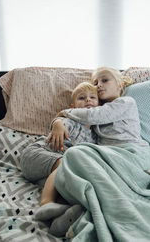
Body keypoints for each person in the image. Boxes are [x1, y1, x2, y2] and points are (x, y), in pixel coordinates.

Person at [45, 67, 149, 236]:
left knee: (77, 156)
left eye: (105, 80)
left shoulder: (126, 102)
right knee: (80, 168)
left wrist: (65, 112)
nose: (99, 85)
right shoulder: (95, 114)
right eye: (95, 83)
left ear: (120, 84)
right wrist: (58, 122)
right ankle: (79, 217)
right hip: (108, 159)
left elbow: (95, 115)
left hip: (131, 154)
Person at [20, 82, 99, 230]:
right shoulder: (72, 122)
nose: (88, 100)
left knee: (67, 185)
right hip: (37, 154)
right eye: (82, 98)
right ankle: (45, 203)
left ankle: (59, 223)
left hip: (46, 172)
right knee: (65, 163)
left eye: (92, 97)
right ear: (73, 107)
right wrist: (57, 123)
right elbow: (60, 122)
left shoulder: (96, 136)